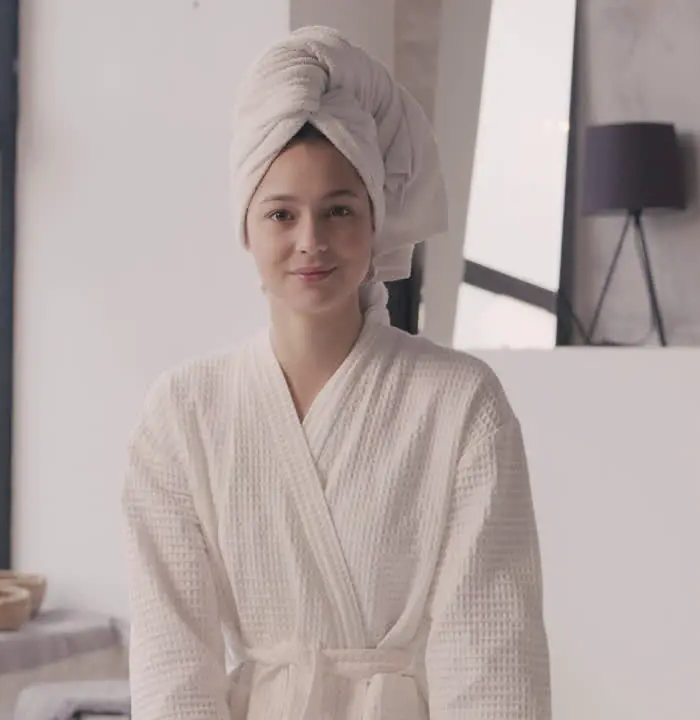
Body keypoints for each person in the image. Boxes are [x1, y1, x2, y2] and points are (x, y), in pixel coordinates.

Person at [122, 25, 551, 720]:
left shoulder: (461, 402)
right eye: (281, 214)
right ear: (246, 228)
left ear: (376, 222)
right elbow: (173, 665)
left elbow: (493, 656)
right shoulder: (183, 412)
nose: (310, 242)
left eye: (339, 211)